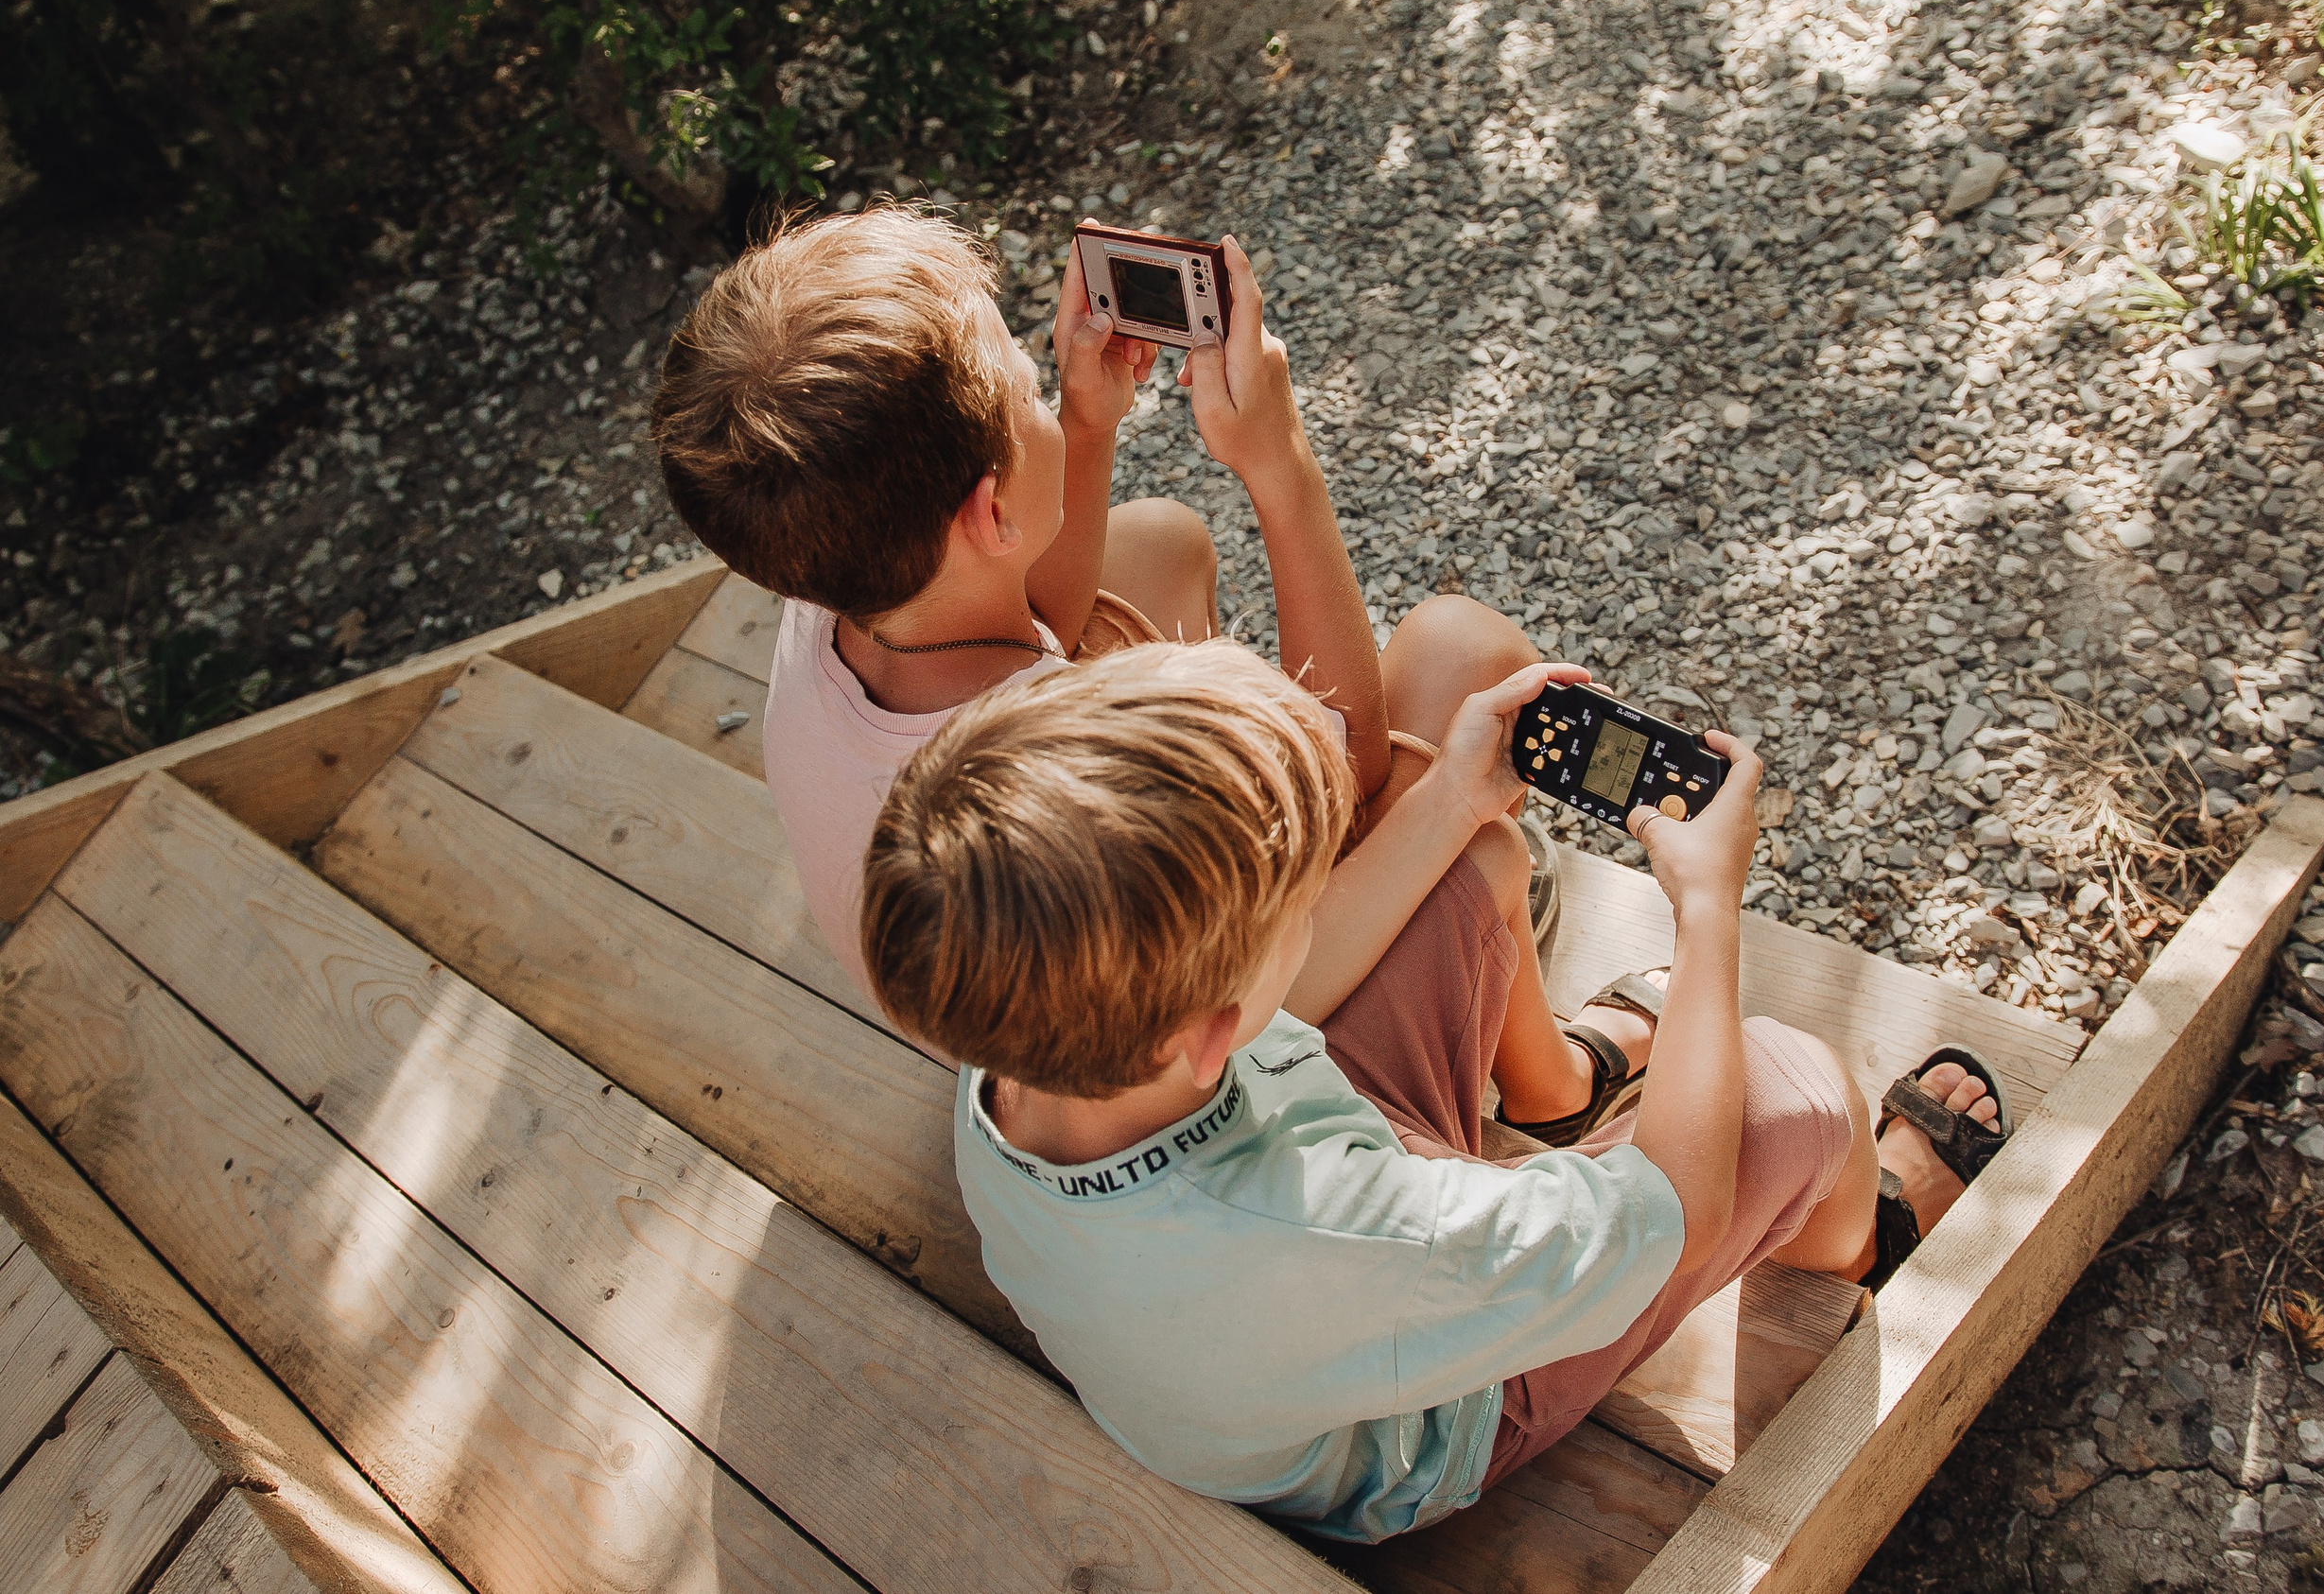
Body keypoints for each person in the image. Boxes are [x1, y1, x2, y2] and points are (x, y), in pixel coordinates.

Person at [859, 640, 2008, 1543]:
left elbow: (1286, 1004)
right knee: (1800, 1087)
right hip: (1414, 1417)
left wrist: (1459, 794)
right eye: (1300, 899)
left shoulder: (1015, 1036)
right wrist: (1708, 914)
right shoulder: (1340, 1232)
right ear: (1210, 1030)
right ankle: (1863, 1243)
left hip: (1274, 1273)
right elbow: (1679, 1215)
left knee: (1472, 863)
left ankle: (1560, 1096)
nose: (1319, 899)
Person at [649, 203, 1622, 1140]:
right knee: (1464, 658)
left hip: (1019, 1013)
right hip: (1194, 1070)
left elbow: (1028, 624)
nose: (1040, 383)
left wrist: (1083, 420)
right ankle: (1553, 1088)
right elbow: (1349, 768)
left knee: (1156, 543)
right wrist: (1278, 464)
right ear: (990, 513)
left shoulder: (824, 581)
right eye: (1027, 384)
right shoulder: (1059, 772)